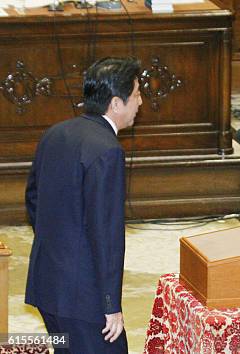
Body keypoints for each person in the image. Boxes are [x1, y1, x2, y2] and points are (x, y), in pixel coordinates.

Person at [25, 57, 142, 353]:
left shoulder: (56, 132)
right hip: (83, 299)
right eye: (137, 94)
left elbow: (33, 199)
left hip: (48, 285)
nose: (140, 102)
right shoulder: (108, 151)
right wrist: (110, 306)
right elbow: (106, 234)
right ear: (116, 103)